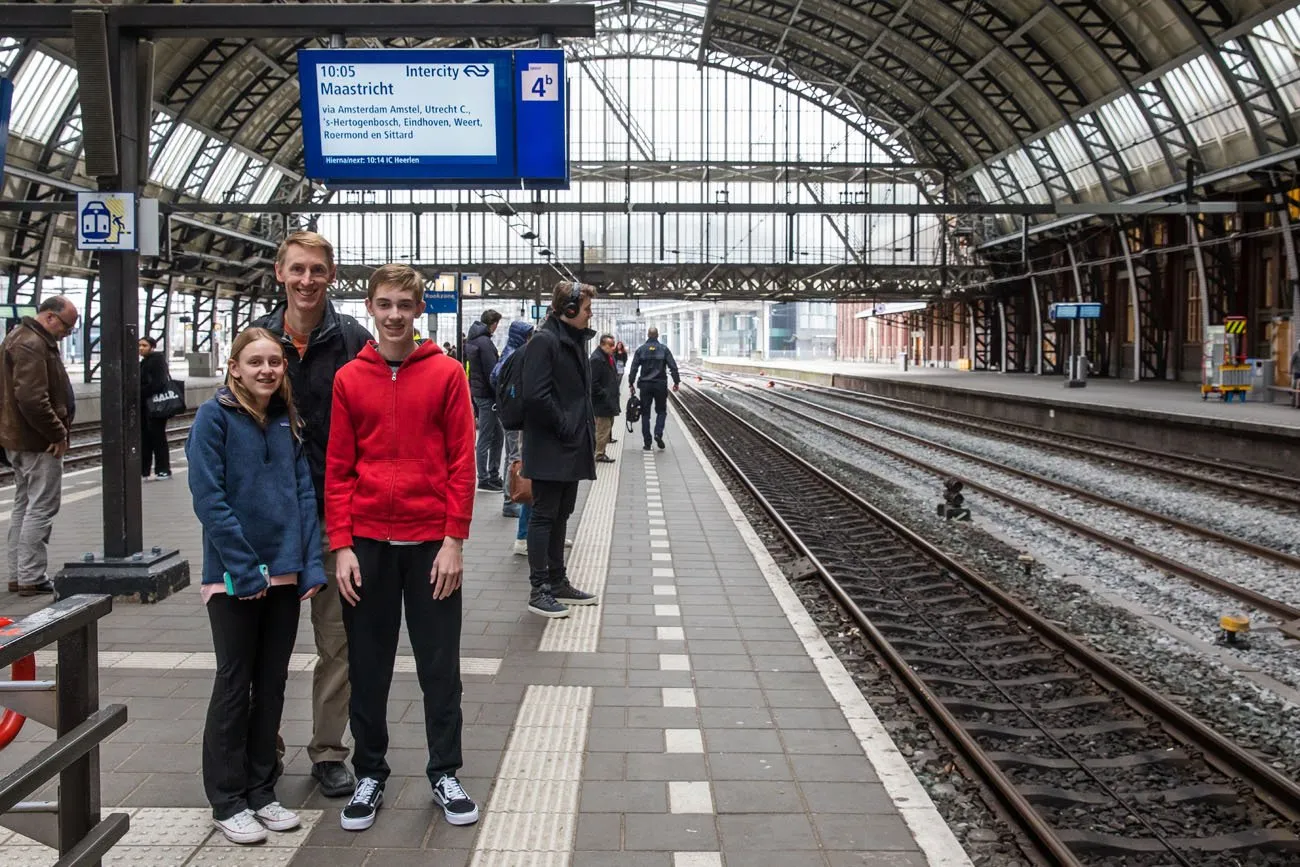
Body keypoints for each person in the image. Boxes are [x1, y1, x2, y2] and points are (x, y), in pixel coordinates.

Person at [326, 264, 478, 833]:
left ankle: (445, 772)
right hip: (367, 546)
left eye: (404, 305)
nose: (394, 315)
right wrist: (342, 546)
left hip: (429, 546)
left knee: (440, 666)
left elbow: (463, 461)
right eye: (384, 304)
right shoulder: (349, 378)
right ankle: (370, 772)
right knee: (368, 667)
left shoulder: (446, 375)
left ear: (419, 311)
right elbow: (338, 469)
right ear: (370, 307)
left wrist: (454, 540)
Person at [186, 327, 326, 845]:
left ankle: (262, 790)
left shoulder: (286, 421)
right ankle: (227, 799)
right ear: (235, 368)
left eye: (275, 362)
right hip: (232, 580)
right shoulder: (213, 418)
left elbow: (303, 499)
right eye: (256, 362)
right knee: (234, 684)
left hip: (286, 575)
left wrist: (311, 565)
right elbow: (209, 499)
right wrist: (244, 569)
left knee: (271, 684)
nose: (267, 370)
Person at [251, 230, 371, 799]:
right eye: (296, 269)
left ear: (331, 275)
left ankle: (327, 751)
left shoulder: (352, 339)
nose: (306, 280)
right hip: (269, 521)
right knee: (263, 643)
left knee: (339, 642)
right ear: (280, 272)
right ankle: (262, 746)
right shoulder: (257, 339)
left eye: (317, 270)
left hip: (333, 516)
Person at [520, 282, 601, 618]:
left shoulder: (571, 341)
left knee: (561, 514)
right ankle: (539, 589)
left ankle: (558, 581)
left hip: (569, 446)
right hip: (551, 445)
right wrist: (566, 426)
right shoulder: (545, 341)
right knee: (543, 516)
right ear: (568, 310)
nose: (589, 314)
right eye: (586, 310)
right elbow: (535, 396)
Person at [0, 296, 77, 597]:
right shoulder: (31, 343)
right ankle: (31, 575)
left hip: (21, 439)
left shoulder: (20, 337)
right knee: (41, 507)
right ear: (49, 317)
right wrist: (57, 434)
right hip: (37, 442)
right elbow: (32, 400)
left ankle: (18, 575)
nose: (67, 334)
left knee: (24, 505)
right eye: (66, 327)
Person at [492, 319, 535, 519]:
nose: (530, 339)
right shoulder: (513, 354)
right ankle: (510, 500)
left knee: (511, 454)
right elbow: (496, 376)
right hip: (512, 412)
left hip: (509, 411)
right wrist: (510, 395)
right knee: (514, 456)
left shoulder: (511, 351)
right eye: (528, 335)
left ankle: (509, 498)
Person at [465, 310, 503, 492]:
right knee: (487, 437)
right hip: (488, 396)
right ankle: (485, 477)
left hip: (479, 393)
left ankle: (492, 474)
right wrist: (499, 394)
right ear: (493, 323)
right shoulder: (485, 343)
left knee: (496, 435)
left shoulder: (473, 340)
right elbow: (492, 372)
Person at [628, 327, 681, 451]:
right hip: (660, 385)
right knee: (661, 411)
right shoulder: (664, 349)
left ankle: (647, 443)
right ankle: (658, 433)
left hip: (645, 386)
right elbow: (673, 366)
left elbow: (634, 368)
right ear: (657, 335)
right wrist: (676, 381)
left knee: (645, 414)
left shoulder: (641, 350)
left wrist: (631, 383)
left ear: (648, 335)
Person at [139, 336, 172, 480]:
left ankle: (163, 469)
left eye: (144, 345)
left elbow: (159, 383)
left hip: (156, 406)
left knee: (158, 438)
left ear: (152, 347)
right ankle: (144, 471)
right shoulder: (144, 362)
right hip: (146, 406)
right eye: (139, 345)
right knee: (145, 438)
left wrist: (140, 391)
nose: (141, 348)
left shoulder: (157, 361)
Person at [590, 334, 620, 463]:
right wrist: (604, 393)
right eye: (610, 345)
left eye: (613, 345)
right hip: (601, 402)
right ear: (602, 344)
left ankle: (600, 451)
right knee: (603, 428)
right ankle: (599, 454)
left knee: (606, 427)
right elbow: (593, 382)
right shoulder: (597, 359)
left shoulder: (607, 357)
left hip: (607, 401)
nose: (613, 348)